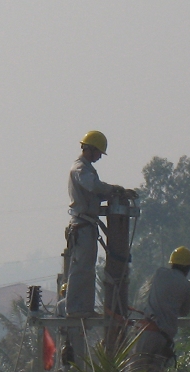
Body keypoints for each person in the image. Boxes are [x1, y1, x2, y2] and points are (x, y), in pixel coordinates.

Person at [64, 130, 132, 318]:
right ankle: (77, 309)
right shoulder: (80, 169)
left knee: (87, 268)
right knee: (82, 268)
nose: (100, 157)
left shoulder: (86, 169)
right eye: (99, 153)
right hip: (82, 225)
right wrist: (113, 189)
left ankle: (83, 308)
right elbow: (94, 186)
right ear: (90, 149)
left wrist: (116, 193)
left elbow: (95, 193)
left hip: (86, 225)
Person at [133, 246, 190, 370]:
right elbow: (184, 312)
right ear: (188, 267)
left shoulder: (160, 273)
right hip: (164, 339)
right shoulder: (188, 287)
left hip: (148, 332)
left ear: (172, 263)